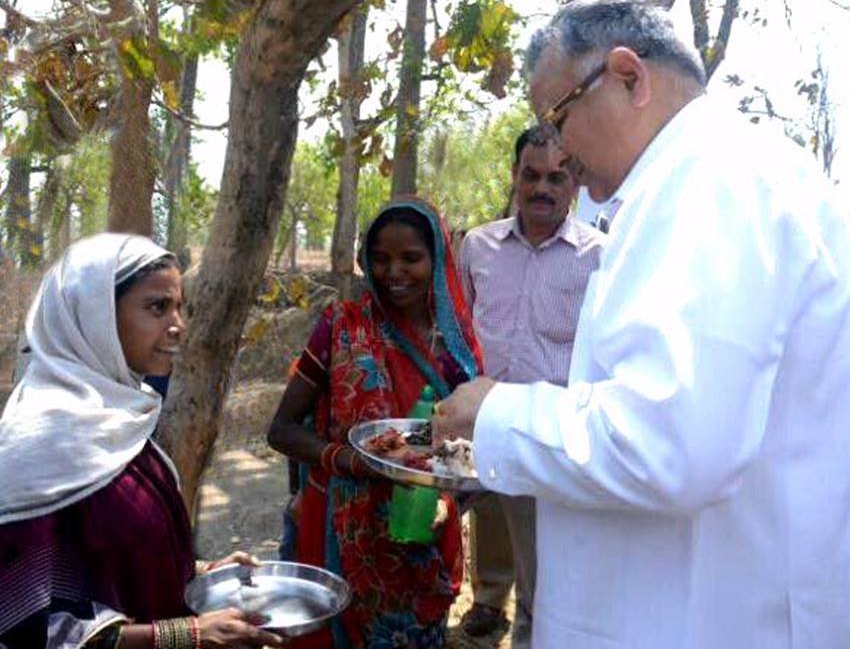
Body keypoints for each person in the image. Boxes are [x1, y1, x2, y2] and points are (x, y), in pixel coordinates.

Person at [432, 0, 850, 648]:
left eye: (559, 116)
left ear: (628, 77)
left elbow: (672, 444)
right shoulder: (716, 176)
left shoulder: (711, 183)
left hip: (712, 615)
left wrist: (498, 414)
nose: (558, 152)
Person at [0, 233, 282, 649]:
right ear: (94, 318)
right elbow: (29, 627)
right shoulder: (40, 446)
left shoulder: (118, 422)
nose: (178, 326)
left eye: (179, 307)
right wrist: (187, 635)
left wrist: (203, 573)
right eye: (157, 308)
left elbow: (116, 555)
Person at [267, 197, 483, 649]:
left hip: (421, 532)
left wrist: (447, 503)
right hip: (339, 528)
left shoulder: (456, 349)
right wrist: (346, 459)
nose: (393, 272)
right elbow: (282, 430)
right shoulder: (341, 327)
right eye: (381, 259)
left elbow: (471, 448)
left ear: (437, 260)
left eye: (410, 258)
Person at [458, 127, 603, 644]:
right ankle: (488, 601)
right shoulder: (478, 246)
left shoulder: (601, 258)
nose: (542, 188)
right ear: (514, 176)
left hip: (549, 433)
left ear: (575, 181)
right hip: (482, 422)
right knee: (491, 520)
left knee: (543, 564)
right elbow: (460, 324)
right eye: (531, 175)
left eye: (556, 177)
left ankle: (531, 630)